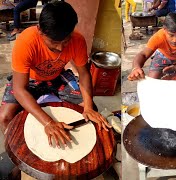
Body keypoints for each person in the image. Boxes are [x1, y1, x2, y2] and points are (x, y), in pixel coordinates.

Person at [0, 1, 111, 148]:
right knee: (4, 117)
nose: (60, 48)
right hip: (29, 80)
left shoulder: (77, 40)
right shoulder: (25, 42)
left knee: (91, 111)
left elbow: (84, 75)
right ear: (40, 30)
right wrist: (48, 122)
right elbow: (20, 89)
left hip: (57, 78)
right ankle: (18, 156)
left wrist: (88, 107)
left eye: (65, 41)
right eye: (53, 42)